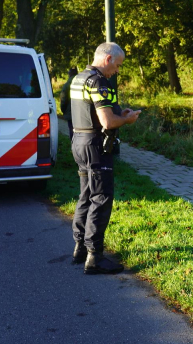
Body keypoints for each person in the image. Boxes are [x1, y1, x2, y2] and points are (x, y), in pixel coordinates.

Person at [69, 42, 141, 274]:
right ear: (108, 59)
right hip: (96, 146)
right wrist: (127, 121)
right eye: (118, 65)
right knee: (101, 197)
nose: (117, 71)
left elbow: (92, 111)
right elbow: (107, 123)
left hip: (79, 141)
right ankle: (95, 257)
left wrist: (120, 113)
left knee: (86, 195)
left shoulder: (79, 78)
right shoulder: (99, 82)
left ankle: (79, 247)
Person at [60, 67, 78, 134]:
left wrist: (63, 110)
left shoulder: (67, 85)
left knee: (71, 131)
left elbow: (63, 100)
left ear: (69, 74)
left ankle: (73, 143)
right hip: (81, 112)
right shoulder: (82, 82)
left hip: (70, 112)